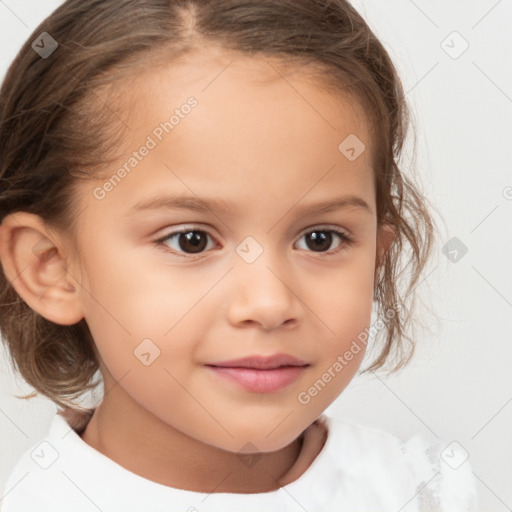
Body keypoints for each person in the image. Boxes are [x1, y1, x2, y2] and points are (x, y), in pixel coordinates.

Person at [0, 0, 478, 510]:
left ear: (377, 258)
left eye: (320, 238)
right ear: (51, 267)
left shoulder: (422, 492)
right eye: (192, 240)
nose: (270, 303)